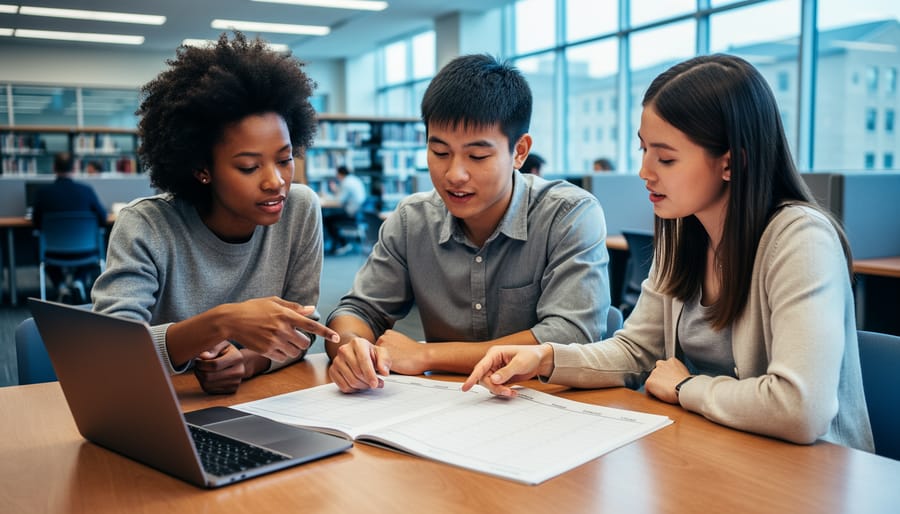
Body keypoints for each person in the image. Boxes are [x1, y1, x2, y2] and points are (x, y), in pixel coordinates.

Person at [463, 54, 873, 451]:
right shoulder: (684, 233)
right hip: (718, 451)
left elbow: (800, 410)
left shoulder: (800, 240)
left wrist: (685, 387)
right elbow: (635, 352)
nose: (645, 171)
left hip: (815, 474)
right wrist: (545, 358)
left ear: (732, 163)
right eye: (643, 150)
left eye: (666, 157)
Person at [326, 53, 611, 393]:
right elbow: (358, 310)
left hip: (546, 404)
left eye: (477, 156)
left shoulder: (568, 214)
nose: (454, 175)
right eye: (440, 153)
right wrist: (350, 347)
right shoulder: (411, 220)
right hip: (445, 409)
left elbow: (571, 334)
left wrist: (428, 355)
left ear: (519, 152)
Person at [91, 32, 339, 395]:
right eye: (249, 167)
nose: (276, 182)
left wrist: (247, 363)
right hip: (160, 408)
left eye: (285, 160)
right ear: (201, 169)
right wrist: (222, 323)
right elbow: (110, 354)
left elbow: (300, 328)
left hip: (257, 406)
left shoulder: (300, 209)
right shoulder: (146, 226)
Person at [32, 151, 108, 303]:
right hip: (86, 252)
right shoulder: (86, 191)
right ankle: (79, 281)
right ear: (74, 168)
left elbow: (36, 223)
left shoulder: (43, 193)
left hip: (53, 254)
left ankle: (61, 286)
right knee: (95, 245)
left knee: (39, 245)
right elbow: (103, 218)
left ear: (54, 168)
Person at [322, 164, 366, 255]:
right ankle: (339, 242)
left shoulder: (346, 183)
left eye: (337, 174)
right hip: (358, 212)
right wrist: (335, 191)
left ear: (340, 173)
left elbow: (339, 201)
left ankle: (342, 243)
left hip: (351, 213)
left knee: (327, 219)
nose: (336, 176)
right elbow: (342, 197)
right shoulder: (353, 179)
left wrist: (326, 198)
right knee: (330, 217)